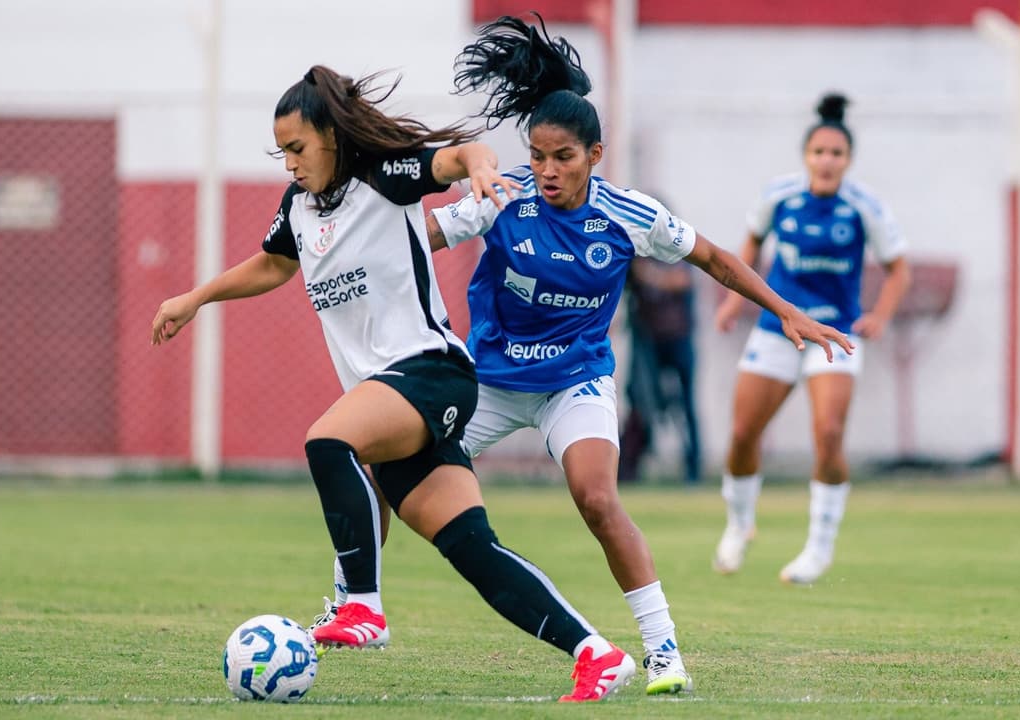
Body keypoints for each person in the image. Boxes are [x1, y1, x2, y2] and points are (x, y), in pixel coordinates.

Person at [150, 64, 636, 702]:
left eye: (297, 149)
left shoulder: (383, 174)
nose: (290, 164)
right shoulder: (299, 205)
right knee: (473, 548)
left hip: (431, 372)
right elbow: (272, 264)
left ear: (329, 135)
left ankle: (361, 604)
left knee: (328, 440)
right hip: (400, 395)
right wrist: (196, 297)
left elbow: (460, 156)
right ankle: (596, 654)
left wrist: (483, 167)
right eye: (282, 153)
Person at [422, 16, 854, 695]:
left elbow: (713, 257)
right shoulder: (500, 197)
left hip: (576, 382)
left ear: (596, 154)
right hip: (495, 382)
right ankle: (355, 606)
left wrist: (785, 310)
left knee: (597, 499)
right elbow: (419, 241)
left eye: (563, 157)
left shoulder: (629, 214)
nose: (546, 170)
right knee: (395, 469)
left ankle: (663, 653)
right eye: (537, 156)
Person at [712, 93, 910, 585]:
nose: (826, 161)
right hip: (777, 330)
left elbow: (898, 268)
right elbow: (752, 244)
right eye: (818, 152)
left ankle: (819, 548)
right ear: (806, 156)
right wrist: (736, 302)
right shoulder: (779, 196)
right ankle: (739, 524)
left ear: (848, 161)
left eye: (836, 154)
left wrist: (880, 315)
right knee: (741, 434)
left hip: (835, 336)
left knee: (828, 433)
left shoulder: (864, 206)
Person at [618, 255, 702, 486]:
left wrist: (649, 275)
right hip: (646, 343)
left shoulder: (677, 250)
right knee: (640, 404)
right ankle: (628, 468)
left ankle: (693, 470)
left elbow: (682, 280)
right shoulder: (636, 255)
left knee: (686, 407)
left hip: (678, 339)